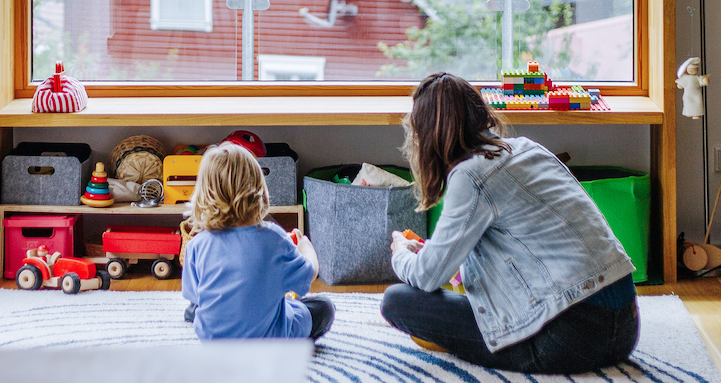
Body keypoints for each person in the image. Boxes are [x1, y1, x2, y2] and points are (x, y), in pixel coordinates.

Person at [381, 72, 638, 373]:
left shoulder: (470, 176)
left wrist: (400, 252)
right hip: (624, 329)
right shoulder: (528, 147)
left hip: (570, 339)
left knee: (397, 301)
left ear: (428, 135)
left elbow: (427, 277)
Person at [181, 141, 335, 341]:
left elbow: (193, 294)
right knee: (323, 308)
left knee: (197, 306)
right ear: (259, 190)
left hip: (214, 342)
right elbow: (309, 274)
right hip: (267, 342)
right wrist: (306, 246)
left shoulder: (197, 244)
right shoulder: (274, 239)